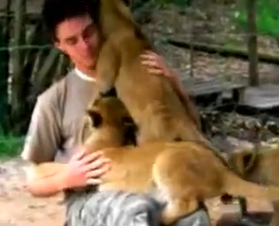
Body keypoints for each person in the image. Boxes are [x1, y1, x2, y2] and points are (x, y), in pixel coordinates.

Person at [21, 0, 212, 226]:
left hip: (151, 182)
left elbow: (193, 128)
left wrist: (173, 84)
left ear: (100, 25)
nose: (85, 46)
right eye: (72, 41)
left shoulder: (141, 72)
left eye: (88, 33)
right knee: (133, 210)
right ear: (58, 45)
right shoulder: (53, 100)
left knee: (194, 215)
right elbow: (33, 182)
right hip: (92, 197)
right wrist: (66, 177)